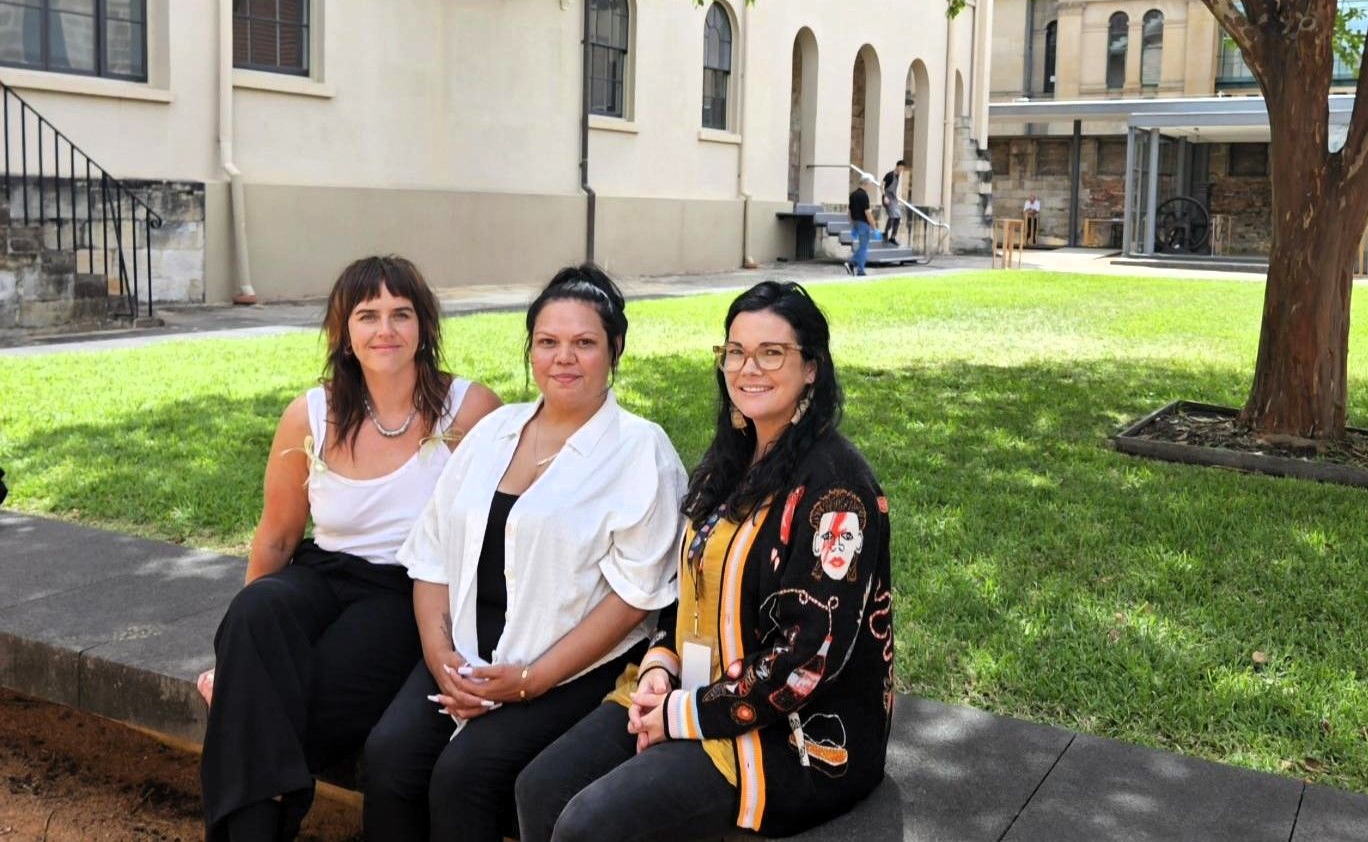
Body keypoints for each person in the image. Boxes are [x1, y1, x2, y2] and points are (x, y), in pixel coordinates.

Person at [515, 280, 894, 842]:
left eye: (772, 353)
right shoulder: (730, 460)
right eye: (735, 352)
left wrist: (679, 715)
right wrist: (659, 668)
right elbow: (688, 586)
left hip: (786, 734)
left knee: (588, 825)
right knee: (540, 787)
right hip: (689, 691)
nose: (749, 368)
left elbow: (805, 659)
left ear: (811, 367)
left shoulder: (836, 489)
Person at [361, 264, 686, 842]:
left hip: (574, 662)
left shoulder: (641, 451)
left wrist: (530, 680)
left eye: (584, 343)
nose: (564, 358)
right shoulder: (494, 431)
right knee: (389, 757)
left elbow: (634, 599)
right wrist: (440, 656)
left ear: (614, 349)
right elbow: (432, 555)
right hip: (465, 649)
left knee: (465, 775)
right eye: (548, 342)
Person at [199, 255, 503, 841]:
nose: (385, 329)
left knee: (282, 703)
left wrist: (243, 686)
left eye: (401, 313)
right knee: (256, 610)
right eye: (367, 315)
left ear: (424, 326)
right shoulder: (309, 415)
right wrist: (239, 660)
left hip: (405, 588)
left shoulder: (469, 411)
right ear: (343, 332)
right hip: (321, 573)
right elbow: (278, 536)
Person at [845, 175, 879, 276]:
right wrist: (875, 228)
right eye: (870, 184)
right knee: (864, 247)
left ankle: (859, 269)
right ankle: (853, 265)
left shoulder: (853, 195)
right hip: (863, 224)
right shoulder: (864, 196)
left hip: (856, 222)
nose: (870, 187)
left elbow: (849, 212)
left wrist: (852, 225)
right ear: (866, 183)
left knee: (862, 247)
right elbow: (868, 214)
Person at [881, 159, 906, 247]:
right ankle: (885, 233)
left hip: (893, 199)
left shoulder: (897, 176)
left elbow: (893, 189)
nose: (901, 170)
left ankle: (892, 237)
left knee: (898, 217)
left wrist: (896, 197)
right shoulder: (890, 175)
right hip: (887, 198)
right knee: (893, 216)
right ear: (897, 166)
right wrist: (884, 196)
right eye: (901, 168)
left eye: (903, 169)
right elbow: (881, 185)